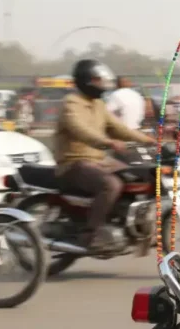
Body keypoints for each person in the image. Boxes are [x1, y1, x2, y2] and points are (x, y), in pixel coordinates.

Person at [54, 60, 155, 252]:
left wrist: (148, 140)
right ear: (86, 81)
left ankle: (124, 222)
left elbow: (118, 128)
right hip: (74, 162)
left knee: (138, 175)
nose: (103, 85)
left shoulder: (98, 104)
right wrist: (107, 142)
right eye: (97, 80)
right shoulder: (71, 104)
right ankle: (91, 233)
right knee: (111, 185)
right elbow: (80, 130)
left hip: (98, 161)